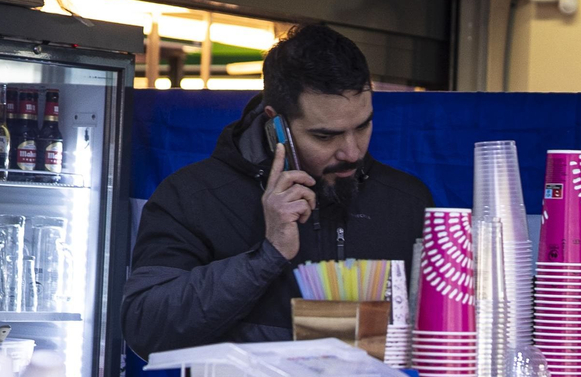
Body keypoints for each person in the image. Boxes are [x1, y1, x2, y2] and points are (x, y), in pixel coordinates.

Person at [121, 23, 432, 352]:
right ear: (277, 124)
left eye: (363, 126)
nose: (352, 152)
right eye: (325, 136)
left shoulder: (407, 200)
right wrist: (266, 256)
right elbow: (144, 326)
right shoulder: (194, 196)